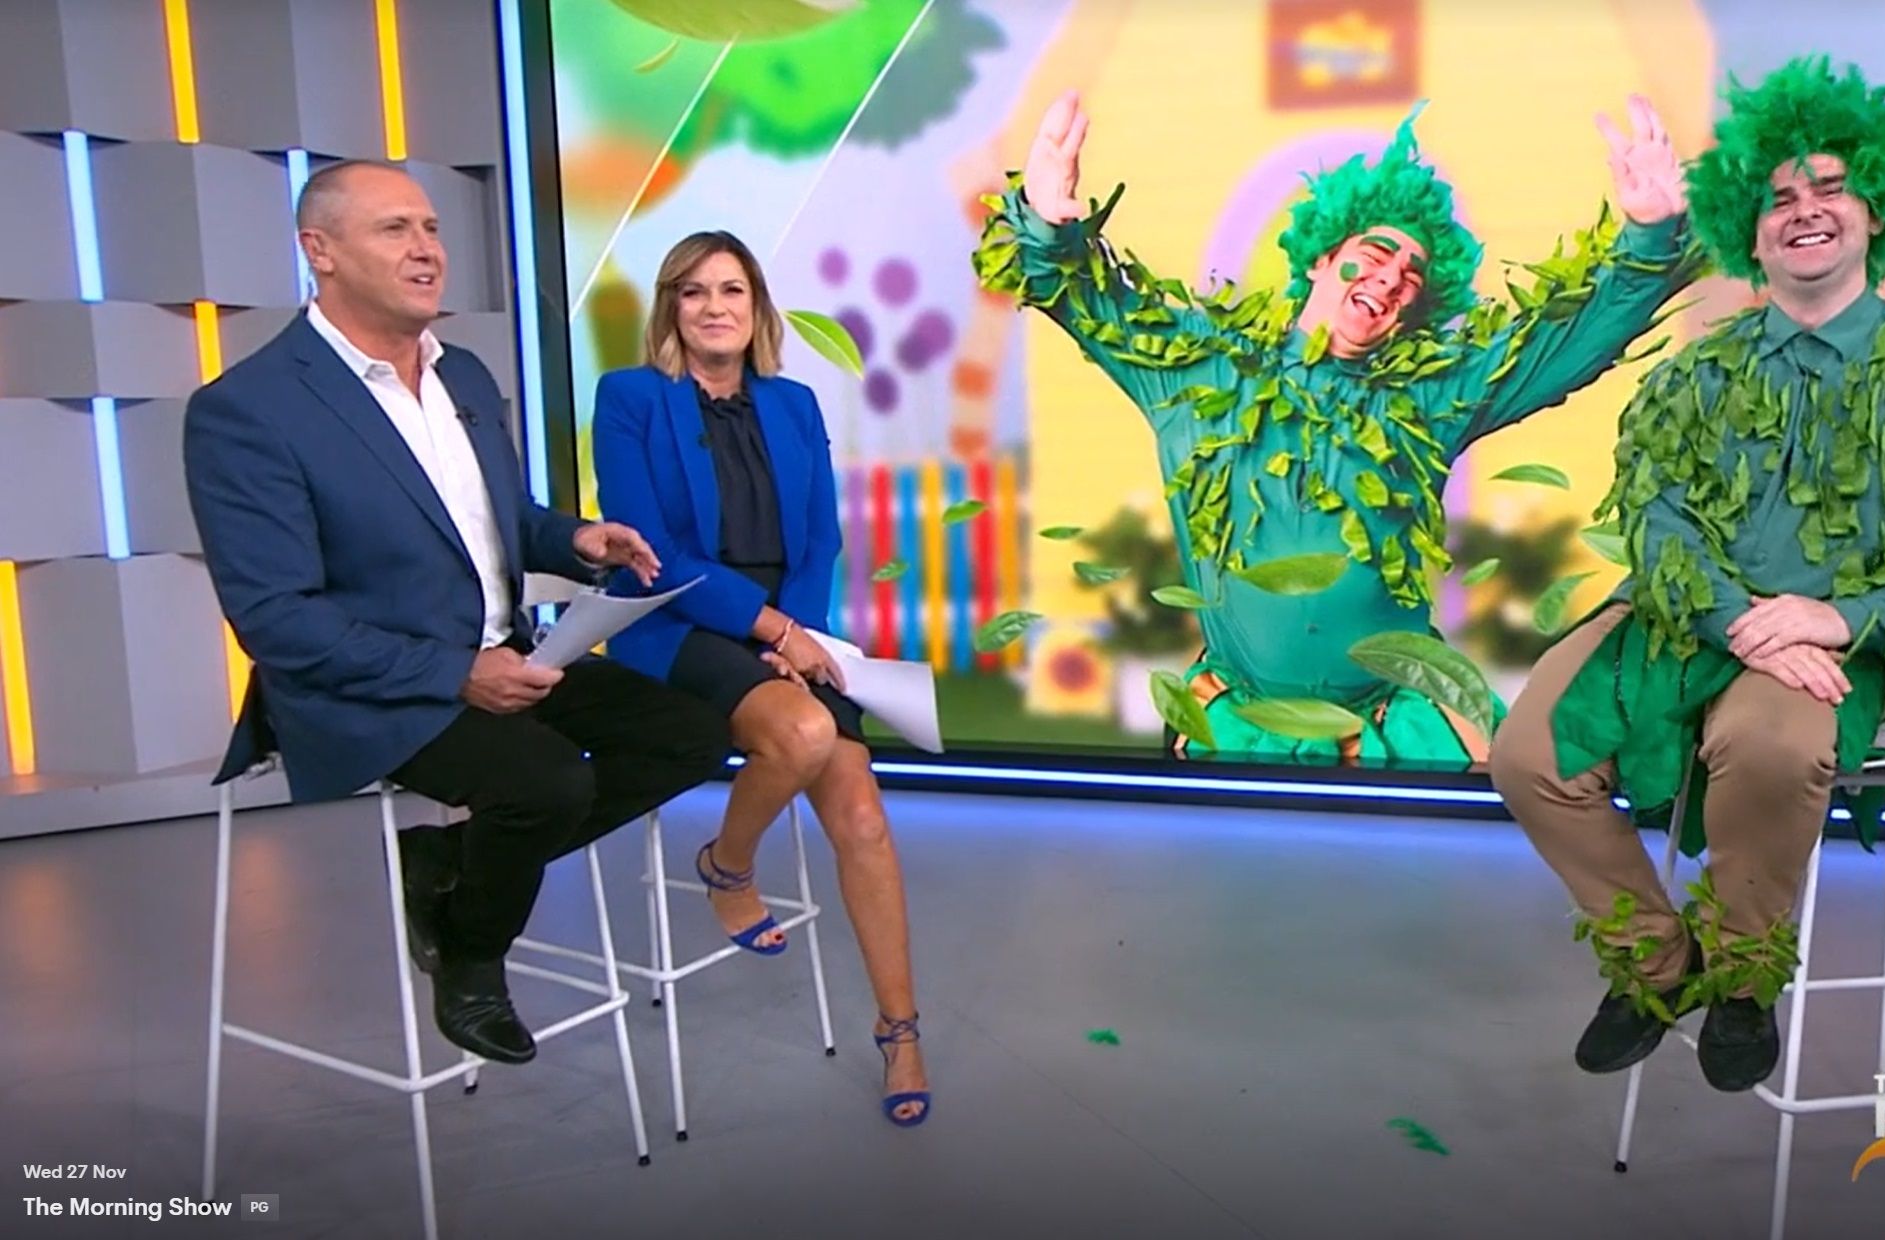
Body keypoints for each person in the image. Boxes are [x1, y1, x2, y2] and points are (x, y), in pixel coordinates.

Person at [1486, 57, 1885, 1092]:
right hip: (1685, 619)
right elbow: (1655, 511)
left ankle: (1743, 981)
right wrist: (1734, 616)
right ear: (1748, 234)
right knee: (1525, 753)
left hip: (1837, 646)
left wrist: (1841, 619)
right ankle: (1658, 964)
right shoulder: (1698, 371)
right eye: (1779, 199)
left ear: (1875, 215)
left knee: (1770, 744)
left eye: (1828, 189)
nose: (1804, 211)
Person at [184, 161, 732, 1067]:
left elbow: (493, 518)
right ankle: (473, 954)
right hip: (365, 687)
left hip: (504, 651)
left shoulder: (463, 375)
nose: (427, 249)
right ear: (320, 251)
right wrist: (455, 675)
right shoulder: (247, 410)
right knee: (546, 783)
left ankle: (451, 866)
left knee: (690, 734)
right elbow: (277, 620)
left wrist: (574, 539)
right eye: (394, 229)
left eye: (431, 228)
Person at [971, 91, 1704, 767]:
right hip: (1239, 723)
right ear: (1321, 260)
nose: (1391, 278)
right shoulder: (1197, 371)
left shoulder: (1430, 395)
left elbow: (1563, 347)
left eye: (1412, 277)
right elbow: (1079, 296)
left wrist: (1648, 239)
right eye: (1375, 256)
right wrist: (1046, 221)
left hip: (1401, 728)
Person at [590, 231, 931, 1127]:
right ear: (671, 308)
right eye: (694, 291)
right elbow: (654, 555)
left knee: (862, 815)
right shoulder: (630, 398)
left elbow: (819, 538)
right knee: (806, 732)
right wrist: (771, 629)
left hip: (788, 634)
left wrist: (799, 635)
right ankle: (728, 866)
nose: (714, 307)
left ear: (756, 307)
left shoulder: (792, 402)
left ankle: (900, 1031)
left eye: (731, 290)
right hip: (677, 624)